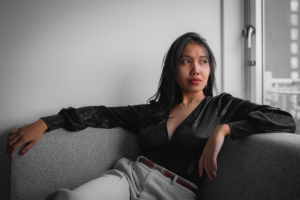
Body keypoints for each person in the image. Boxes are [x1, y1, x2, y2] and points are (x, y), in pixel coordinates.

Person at [6, 32, 296, 200]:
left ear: (210, 69)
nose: (196, 69)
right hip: (129, 177)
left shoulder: (222, 106)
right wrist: (46, 123)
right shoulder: (152, 110)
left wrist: (224, 130)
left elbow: (284, 119)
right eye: (186, 61)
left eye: (203, 61)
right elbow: (101, 115)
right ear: (174, 68)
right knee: (64, 199)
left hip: (176, 192)